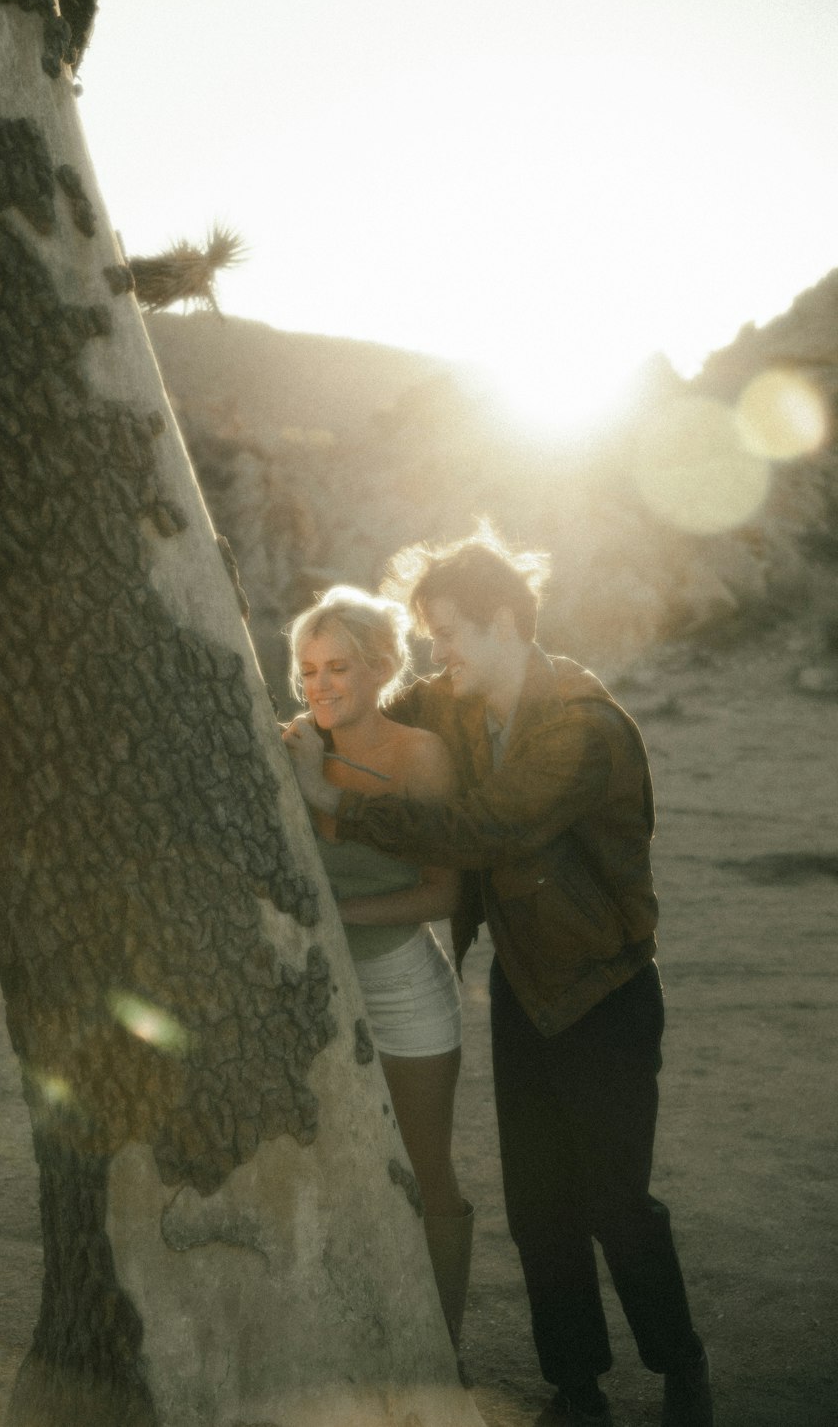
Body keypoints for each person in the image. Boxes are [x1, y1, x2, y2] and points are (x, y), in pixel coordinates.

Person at [284, 531, 713, 1427]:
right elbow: (370, 701)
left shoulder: (585, 731)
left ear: (507, 621)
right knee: (539, 1204)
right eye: (431, 636)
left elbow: (487, 830)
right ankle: (577, 1387)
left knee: (615, 1201)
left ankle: (682, 1368)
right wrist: (307, 721)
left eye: (450, 633)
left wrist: (337, 803)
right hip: (524, 987)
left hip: (604, 990)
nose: (439, 653)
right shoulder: (460, 703)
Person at [284, 585, 474, 1350]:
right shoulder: (295, 743)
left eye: (340, 667)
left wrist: (338, 921)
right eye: (308, 671)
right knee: (331, 1175)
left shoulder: (418, 754)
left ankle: (446, 1359)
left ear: (382, 668)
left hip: (402, 990)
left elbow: (441, 890)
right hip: (319, 994)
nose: (322, 685)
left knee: (426, 1175)